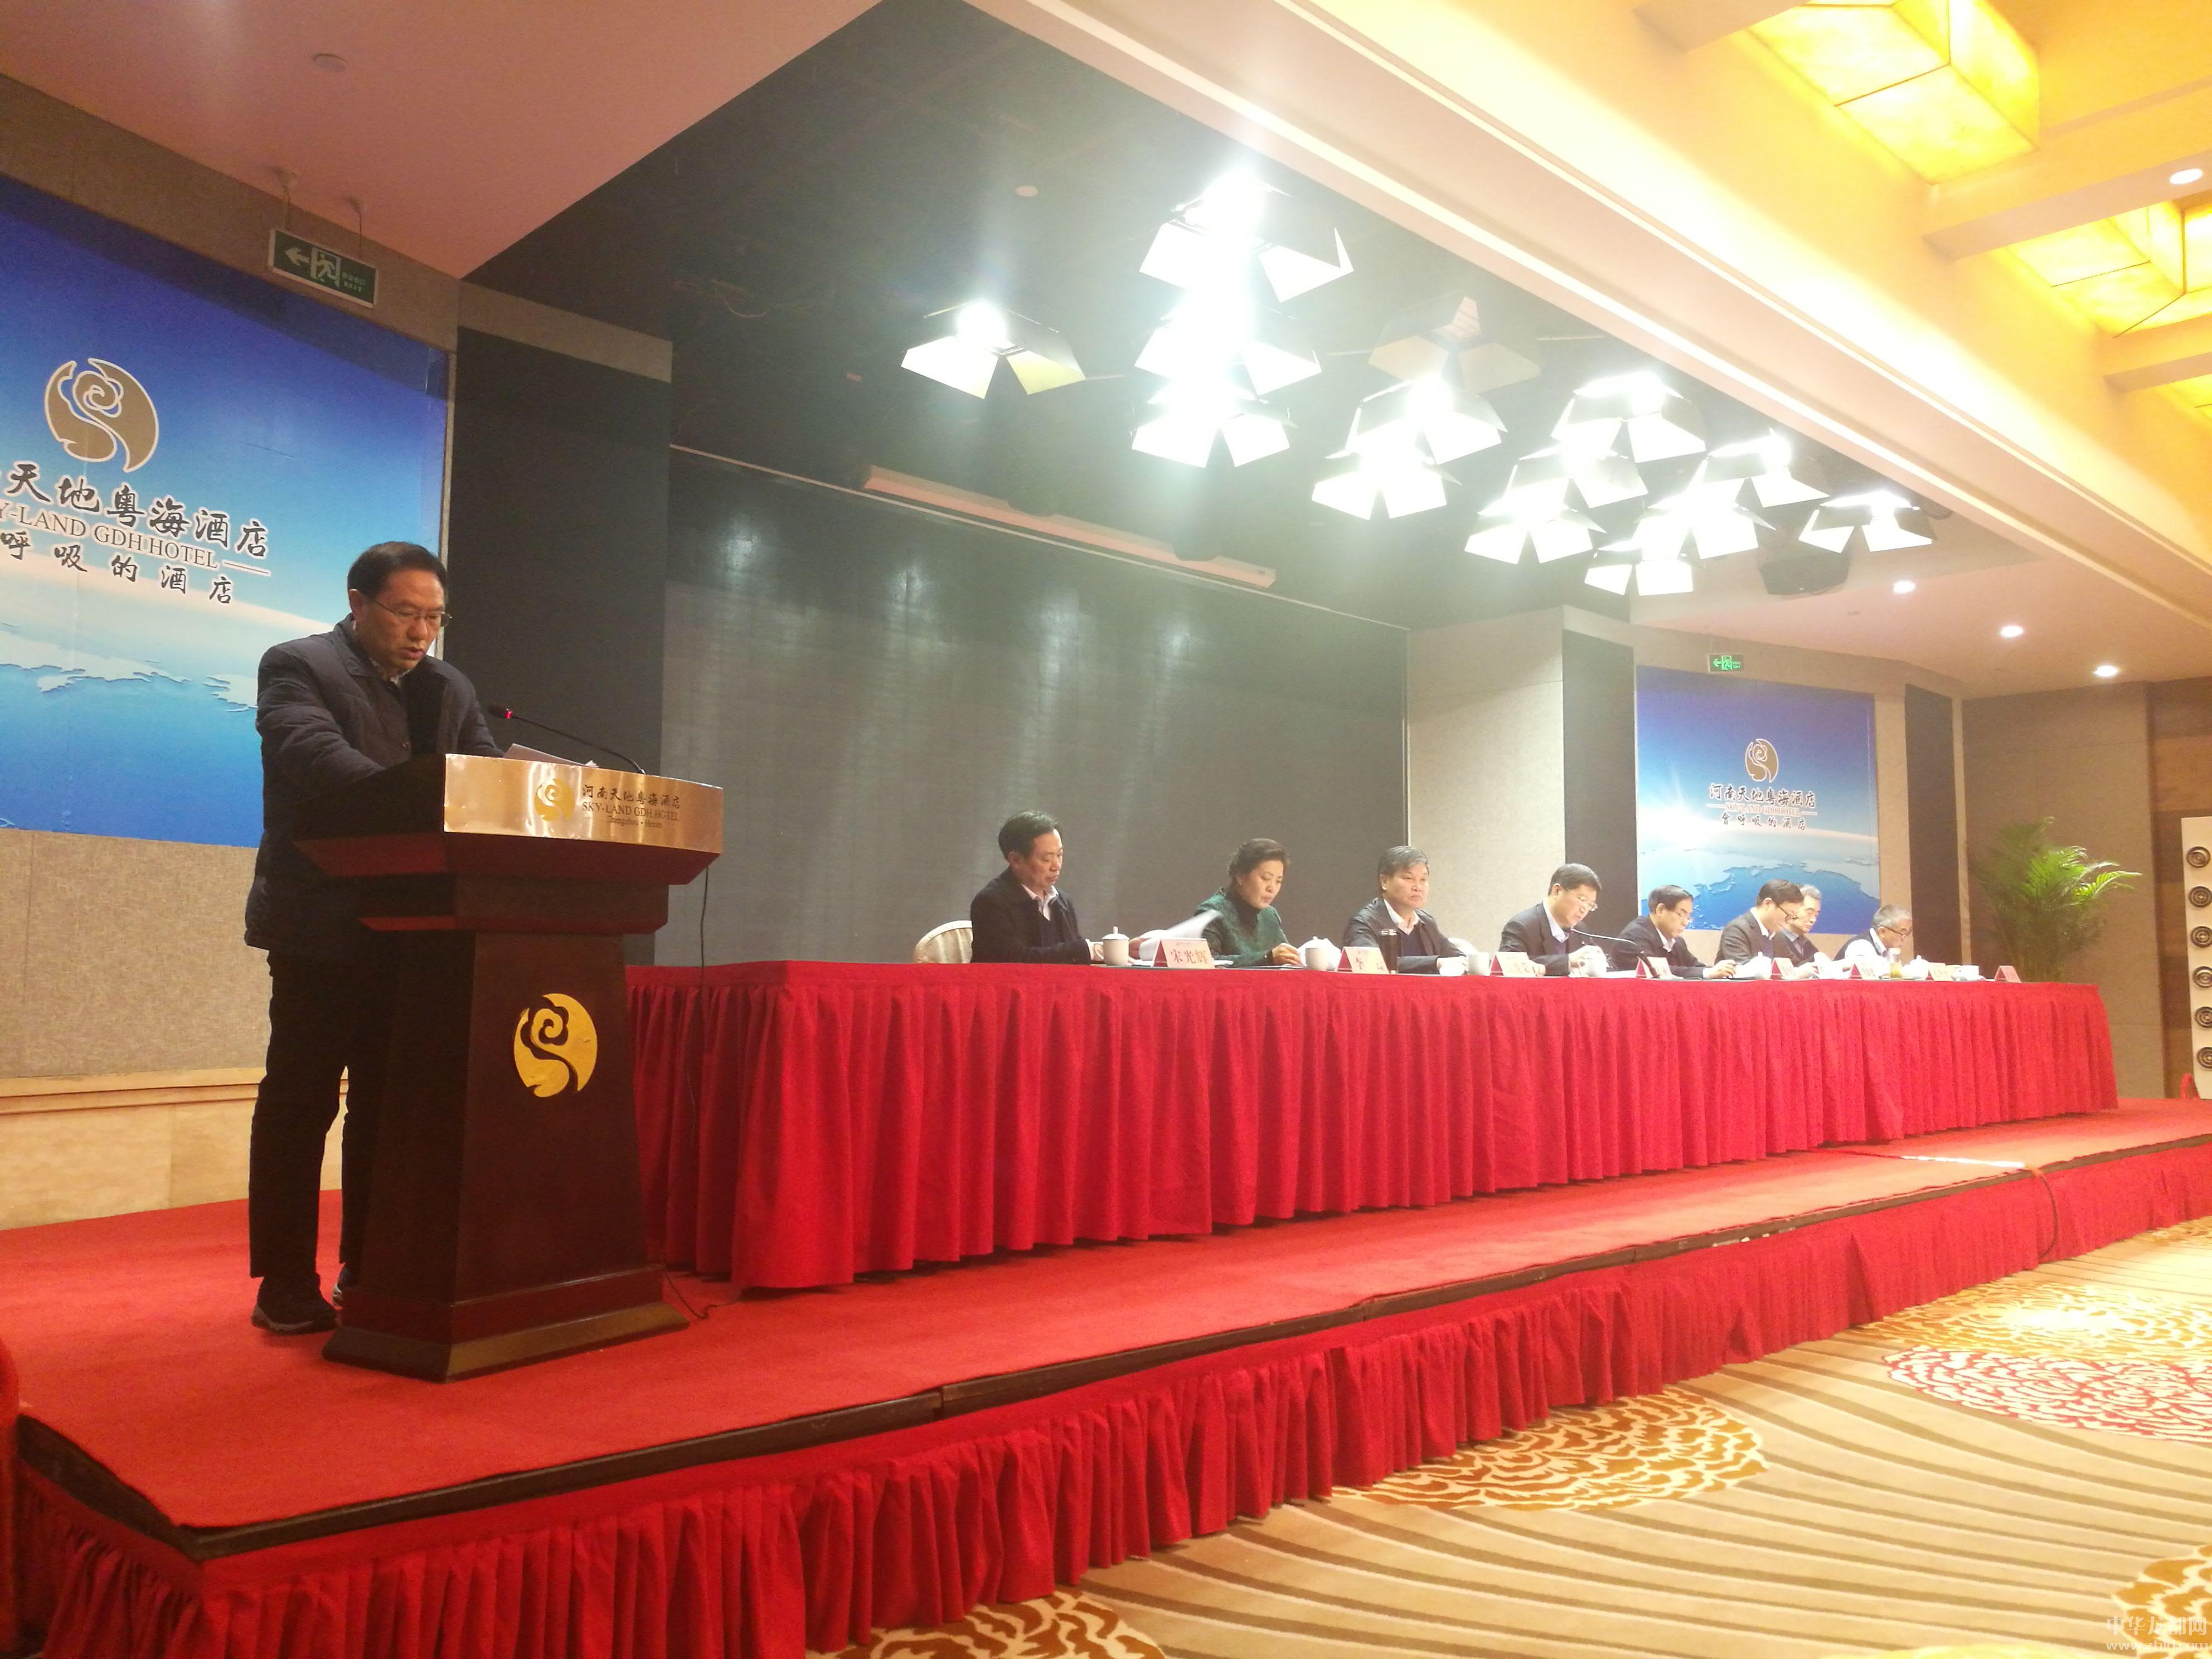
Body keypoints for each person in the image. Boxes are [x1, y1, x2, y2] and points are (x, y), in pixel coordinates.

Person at [244, 542, 502, 1336]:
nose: (422, 632)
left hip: (418, 932)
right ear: (359, 603)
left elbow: (489, 780)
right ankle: (285, 1281)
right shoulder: (299, 665)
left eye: (435, 617)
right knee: (301, 1102)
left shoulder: (449, 687)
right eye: (406, 613)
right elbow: (316, 759)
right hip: (321, 924)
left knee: (390, 1109)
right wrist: (423, 803)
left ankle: (374, 1262)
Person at [969, 811, 1096, 964]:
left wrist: (1108, 952)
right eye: (1047, 859)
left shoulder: (1063, 902)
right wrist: (1085, 950)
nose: (1057, 866)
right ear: (1016, 860)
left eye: (1059, 855)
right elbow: (1012, 959)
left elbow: (1075, 957)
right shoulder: (991, 902)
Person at [1344, 846, 1465, 973]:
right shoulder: (1363, 923)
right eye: (1408, 878)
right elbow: (1372, 964)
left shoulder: (1426, 922)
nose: (1418, 887)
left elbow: (1457, 958)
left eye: (1423, 880)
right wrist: (1435, 963)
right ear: (1385, 882)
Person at [1196, 838, 1302, 967]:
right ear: (1240, 876)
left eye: (1278, 881)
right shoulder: (1211, 912)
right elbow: (1207, 963)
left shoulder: (1269, 915)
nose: (1272, 888)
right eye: (1266, 878)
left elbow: (1285, 958)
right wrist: (1267, 958)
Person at [1498, 863, 1608, 976]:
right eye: (1582, 900)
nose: (1584, 910)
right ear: (1557, 891)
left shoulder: (1580, 929)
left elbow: (1608, 966)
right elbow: (1508, 966)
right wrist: (1568, 961)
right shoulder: (1522, 926)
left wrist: (1599, 960)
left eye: (1590, 905)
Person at [1608, 885, 1736, 979]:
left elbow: (1695, 967)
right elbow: (1654, 972)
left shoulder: (1677, 942)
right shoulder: (1634, 936)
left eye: (1689, 917)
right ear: (1661, 910)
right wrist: (1707, 973)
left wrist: (1724, 971)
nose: (1685, 922)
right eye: (1682, 914)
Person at [1715, 879, 1804, 964]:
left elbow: (1794, 964)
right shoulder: (1737, 930)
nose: (1789, 921)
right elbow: (1743, 969)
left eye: (1793, 917)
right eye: (1788, 914)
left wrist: (1808, 968)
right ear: (1768, 904)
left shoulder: (1777, 935)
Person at [1838, 903, 1914, 969]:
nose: (1905, 939)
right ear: (1882, 932)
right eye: (1902, 933)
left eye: (1908, 933)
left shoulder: (1888, 949)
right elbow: (1879, 970)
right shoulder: (1860, 946)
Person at [1777, 882, 1823, 966]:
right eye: (1809, 912)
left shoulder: (1807, 945)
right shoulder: (1772, 940)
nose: (1813, 920)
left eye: (1816, 915)